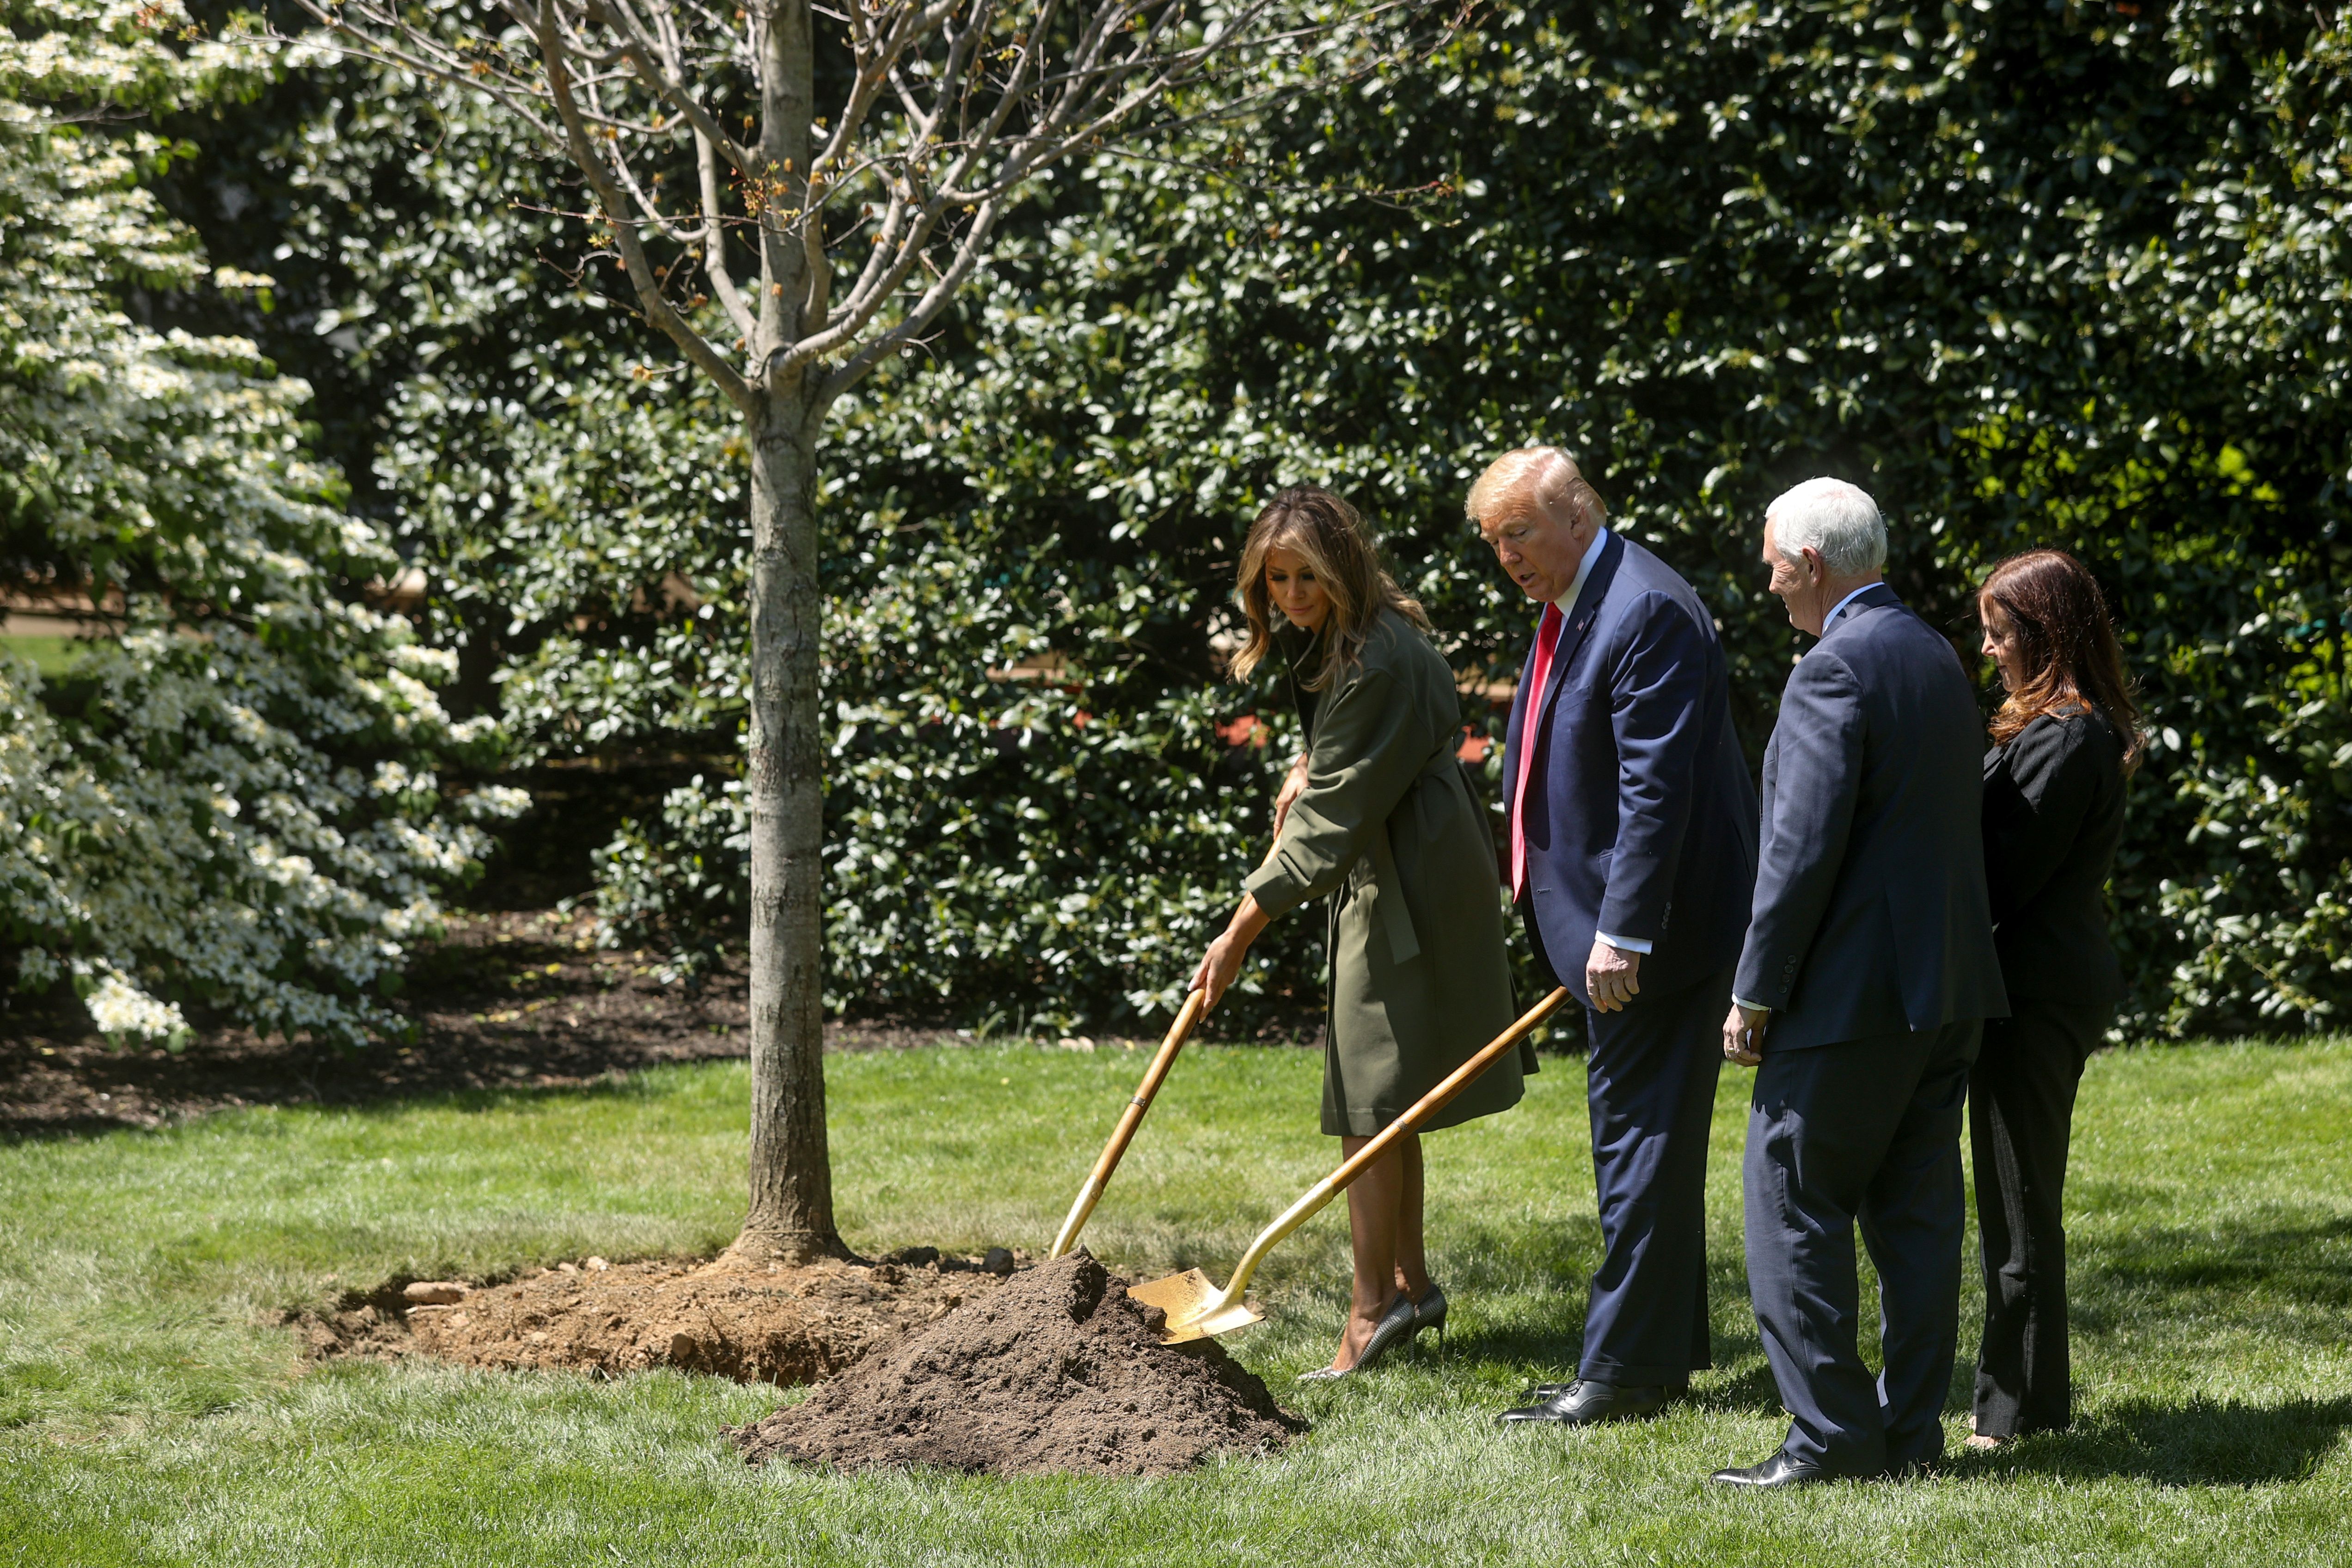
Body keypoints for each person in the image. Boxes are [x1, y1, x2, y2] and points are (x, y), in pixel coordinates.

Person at [1191, 485, 1527, 1379]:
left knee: (1370, 1095)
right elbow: (1351, 760)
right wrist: (1312, 760)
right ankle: (1410, 1287)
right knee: (1386, 1092)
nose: (1292, 596)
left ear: (1343, 566)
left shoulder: (1375, 655)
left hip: (1404, 871)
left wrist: (1238, 935)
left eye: (1306, 576)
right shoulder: (1359, 635)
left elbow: (1328, 826)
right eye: (1277, 580)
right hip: (1408, 854)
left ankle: (1371, 1309)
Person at [1711, 478, 2008, 1488]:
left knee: (1791, 1200)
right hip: (1949, 988)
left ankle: (1831, 1438)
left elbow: (1799, 853)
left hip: (1850, 1001)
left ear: (1811, 562)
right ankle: (1910, 1432)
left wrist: (1755, 992)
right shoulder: (1933, 652)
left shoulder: (1831, 669)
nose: (1765, 581)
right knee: (1919, 1214)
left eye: (1772, 562)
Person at [1466, 448, 1758, 1427]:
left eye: (1519, 532)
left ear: (1580, 510)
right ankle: (1654, 1352)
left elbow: (1656, 791)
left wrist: (1621, 933)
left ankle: (1627, 1369)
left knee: (1636, 1142)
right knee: (1643, 1141)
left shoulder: (1644, 608)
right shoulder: (1581, 600)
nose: (1506, 555)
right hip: (1609, 932)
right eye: (1493, 539)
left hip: (1648, 943)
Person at [1965, 550, 2140, 1449]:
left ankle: (2018, 1407)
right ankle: (2027, 1396)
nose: (1989, 646)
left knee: (2021, 1200)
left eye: (2000, 630)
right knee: (2014, 1195)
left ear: (2044, 632)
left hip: (2034, 992)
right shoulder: (2056, 728)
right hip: (2033, 986)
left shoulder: (2067, 738)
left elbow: (2003, 876)